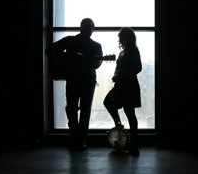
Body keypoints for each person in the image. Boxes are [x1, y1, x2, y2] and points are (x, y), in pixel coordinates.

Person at [45, 18, 103, 149]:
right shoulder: (95, 45)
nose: (88, 30)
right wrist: (60, 62)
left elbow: (49, 50)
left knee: (72, 108)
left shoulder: (71, 41)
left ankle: (75, 137)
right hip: (87, 80)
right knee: (83, 110)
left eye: (88, 28)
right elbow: (96, 65)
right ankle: (81, 139)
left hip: (75, 79)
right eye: (87, 28)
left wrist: (60, 62)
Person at [104, 27, 142, 156]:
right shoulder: (126, 51)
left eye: (121, 37)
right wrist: (117, 76)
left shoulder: (132, 51)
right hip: (123, 85)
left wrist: (121, 77)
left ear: (125, 38)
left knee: (129, 112)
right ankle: (126, 133)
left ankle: (133, 142)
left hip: (128, 85)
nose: (119, 39)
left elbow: (138, 68)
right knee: (125, 110)